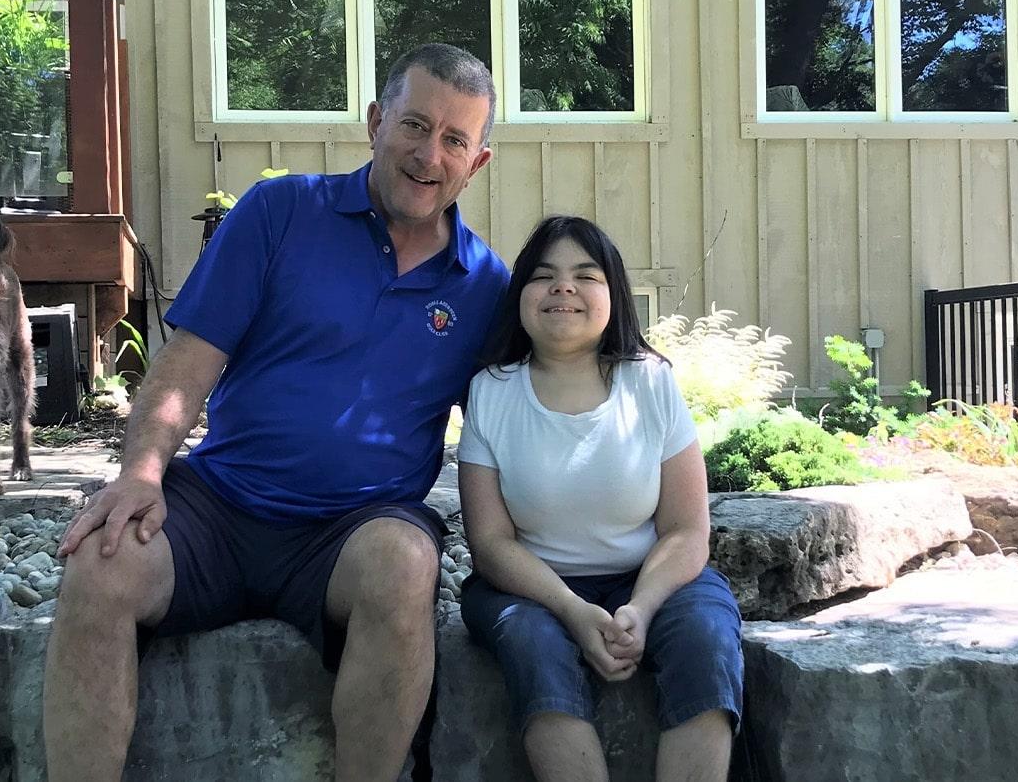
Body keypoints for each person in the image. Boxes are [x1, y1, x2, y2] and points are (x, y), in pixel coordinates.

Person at [42, 43, 510, 782]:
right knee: (102, 564)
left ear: (476, 162)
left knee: (407, 563)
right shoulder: (281, 211)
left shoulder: (485, 286)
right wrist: (139, 474)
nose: (429, 154)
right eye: (415, 126)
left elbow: (512, 433)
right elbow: (187, 363)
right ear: (375, 123)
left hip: (352, 532)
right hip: (219, 508)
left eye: (455, 139)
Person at [458, 216, 744, 782]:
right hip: (530, 587)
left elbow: (687, 530)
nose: (563, 287)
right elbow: (490, 543)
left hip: (653, 576)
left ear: (613, 294)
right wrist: (571, 609)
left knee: (707, 639)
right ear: (520, 296)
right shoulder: (491, 391)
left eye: (585, 275)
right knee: (532, 645)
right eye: (544, 276)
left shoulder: (651, 382)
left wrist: (640, 607)